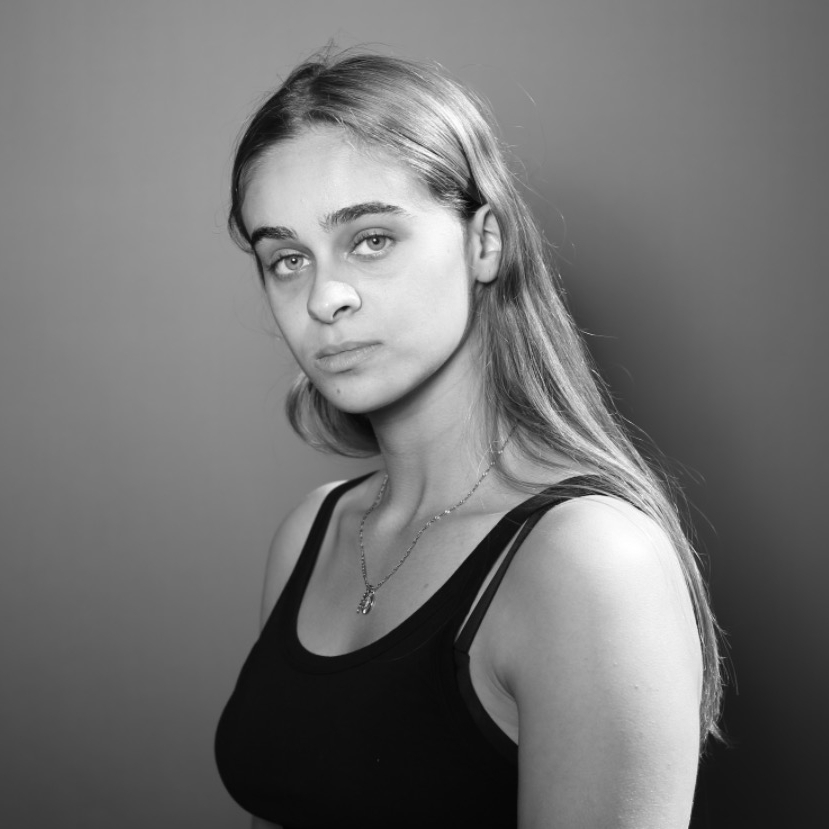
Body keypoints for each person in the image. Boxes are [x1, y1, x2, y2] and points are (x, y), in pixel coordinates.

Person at [214, 49, 722, 829]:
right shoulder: (312, 532)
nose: (324, 296)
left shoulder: (589, 559)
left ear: (484, 241)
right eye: (285, 258)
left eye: (371, 239)